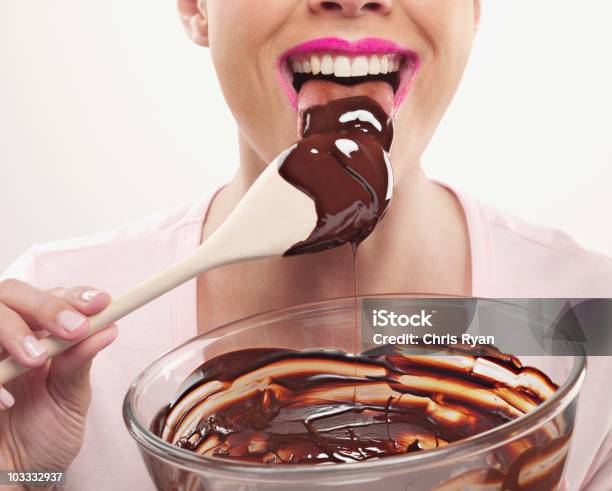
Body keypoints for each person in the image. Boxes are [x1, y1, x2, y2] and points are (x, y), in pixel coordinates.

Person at [1, 1, 611, 489]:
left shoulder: (590, 321)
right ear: (195, 6)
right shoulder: (52, 343)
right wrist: (21, 472)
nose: (350, 0)